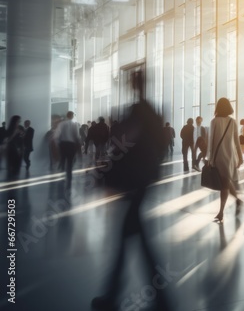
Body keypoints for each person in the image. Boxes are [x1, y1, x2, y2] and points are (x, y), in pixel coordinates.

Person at [91, 71, 172, 311]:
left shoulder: (138, 112)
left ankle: (115, 296)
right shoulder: (153, 112)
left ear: (134, 84)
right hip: (144, 181)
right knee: (136, 241)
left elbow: (122, 146)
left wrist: (105, 174)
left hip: (135, 183)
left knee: (130, 241)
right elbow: (159, 146)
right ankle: (158, 298)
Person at [207, 98, 244, 223]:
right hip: (230, 157)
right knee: (226, 181)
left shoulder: (214, 121)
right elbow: (237, 142)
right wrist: (240, 156)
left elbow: (210, 141)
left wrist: (209, 158)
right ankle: (237, 201)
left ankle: (221, 212)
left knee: (224, 183)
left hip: (218, 157)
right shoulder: (232, 122)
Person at [56, 111, 83, 184]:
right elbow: (77, 136)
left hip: (63, 144)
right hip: (71, 145)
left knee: (63, 159)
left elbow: (57, 135)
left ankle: (62, 172)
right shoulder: (75, 124)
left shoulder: (61, 124)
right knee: (70, 161)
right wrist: (79, 148)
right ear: (72, 116)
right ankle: (69, 175)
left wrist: (58, 143)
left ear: (66, 115)